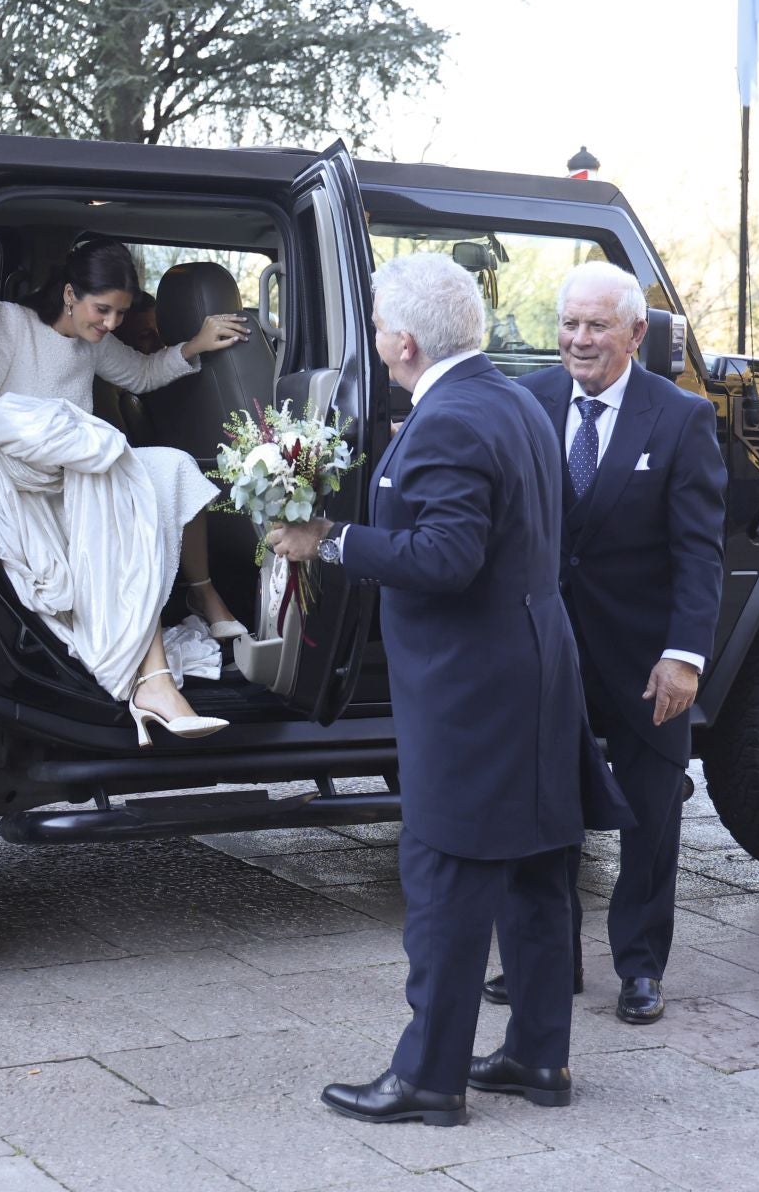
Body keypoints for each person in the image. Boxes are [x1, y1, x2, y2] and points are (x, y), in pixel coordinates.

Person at [270, 253, 630, 1126]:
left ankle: (429, 1077)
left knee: (445, 881)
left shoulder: (447, 422)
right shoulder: (510, 397)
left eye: (378, 326)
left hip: (472, 695)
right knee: (539, 875)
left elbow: (445, 557)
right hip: (537, 671)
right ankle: (538, 1058)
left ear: (401, 340)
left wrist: (332, 540)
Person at [484, 261, 726, 1026]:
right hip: (543, 651)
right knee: (541, 806)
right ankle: (545, 960)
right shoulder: (525, 401)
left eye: (596, 326)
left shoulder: (681, 418)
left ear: (635, 333)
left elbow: (699, 552)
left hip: (646, 658)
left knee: (652, 813)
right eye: (569, 324)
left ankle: (641, 968)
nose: (579, 340)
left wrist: (685, 655)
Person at [0, 239, 249, 742]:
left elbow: (141, 373)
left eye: (120, 312)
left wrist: (195, 344)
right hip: (27, 488)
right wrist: (46, 445)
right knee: (123, 489)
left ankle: (203, 594)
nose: (111, 323)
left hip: (86, 476)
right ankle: (153, 682)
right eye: (102, 309)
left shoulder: (93, 341)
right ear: (70, 294)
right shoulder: (10, 324)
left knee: (173, 467)